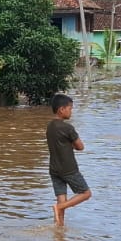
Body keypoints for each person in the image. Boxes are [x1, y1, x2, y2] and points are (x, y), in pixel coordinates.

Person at [45, 93, 90, 225]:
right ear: (61, 109)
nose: (71, 111)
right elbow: (80, 146)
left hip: (54, 169)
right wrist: (71, 144)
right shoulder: (68, 128)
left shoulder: (50, 126)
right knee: (86, 193)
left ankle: (59, 229)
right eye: (70, 108)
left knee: (61, 197)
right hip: (69, 168)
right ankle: (60, 207)